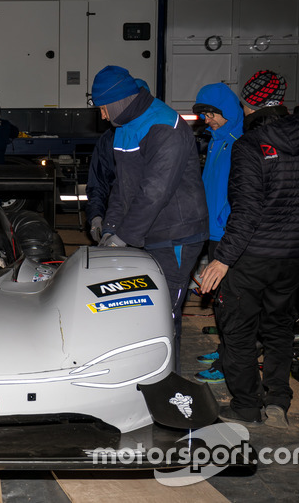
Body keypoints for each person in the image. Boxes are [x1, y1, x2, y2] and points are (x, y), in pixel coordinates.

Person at [200, 70, 299, 427]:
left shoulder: (250, 145)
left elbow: (246, 211)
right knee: (279, 329)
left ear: (248, 103)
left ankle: (246, 406)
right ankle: (277, 399)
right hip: (291, 259)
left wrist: (223, 260)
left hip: (250, 259)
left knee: (239, 332)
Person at [91, 65, 209, 372]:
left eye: (103, 108)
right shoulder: (124, 127)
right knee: (137, 307)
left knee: (164, 312)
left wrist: (124, 237)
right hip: (145, 230)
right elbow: (123, 186)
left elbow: (154, 191)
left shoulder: (165, 127)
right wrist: (111, 228)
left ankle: (168, 380)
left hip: (177, 234)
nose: (102, 116)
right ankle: (139, 370)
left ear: (117, 101)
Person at [190, 83, 245, 385]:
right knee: (220, 300)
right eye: (204, 115)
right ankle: (225, 349)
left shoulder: (239, 143)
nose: (207, 120)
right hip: (212, 231)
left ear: (228, 111)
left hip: (227, 235)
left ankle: (228, 363)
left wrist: (224, 221)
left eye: (212, 114)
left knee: (231, 303)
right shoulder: (215, 141)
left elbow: (241, 195)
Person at [86, 79, 149, 242]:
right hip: (118, 218)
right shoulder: (108, 141)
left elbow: (154, 193)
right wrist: (96, 216)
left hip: (152, 226)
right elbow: (99, 183)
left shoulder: (156, 137)